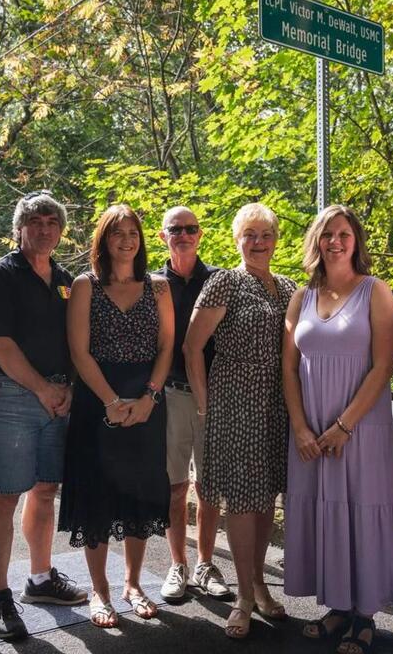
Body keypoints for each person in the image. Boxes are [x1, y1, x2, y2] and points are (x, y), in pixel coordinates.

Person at [283, 205, 393, 654]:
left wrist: (343, 425)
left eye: (344, 234)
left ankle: (365, 614)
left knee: (361, 509)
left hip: (361, 426)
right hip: (311, 429)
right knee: (326, 511)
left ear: (356, 241)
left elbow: (384, 365)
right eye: (327, 234)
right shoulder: (301, 297)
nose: (335, 241)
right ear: (316, 241)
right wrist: (300, 426)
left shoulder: (375, 291)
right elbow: (289, 369)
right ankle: (338, 605)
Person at [0, 191, 87, 641]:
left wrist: (69, 390)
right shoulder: (0, 275)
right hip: (12, 396)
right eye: (35, 222)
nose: (44, 229)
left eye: (51, 223)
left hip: (58, 397)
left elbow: (78, 339)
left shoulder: (65, 279)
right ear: (19, 228)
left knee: (45, 490)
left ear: (60, 230)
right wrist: (43, 389)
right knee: (4, 496)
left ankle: (40, 579)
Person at [183, 202, 296, 639]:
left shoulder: (288, 288)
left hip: (277, 407)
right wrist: (205, 404)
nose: (258, 242)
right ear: (237, 240)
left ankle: (259, 584)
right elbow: (193, 348)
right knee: (243, 504)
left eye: (265, 234)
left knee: (267, 500)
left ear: (276, 239)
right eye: (249, 234)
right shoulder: (223, 283)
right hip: (234, 406)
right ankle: (244, 599)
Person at [58, 204, 174, 629]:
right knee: (97, 496)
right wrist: (110, 400)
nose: (126, 240)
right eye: (116, 233)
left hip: (147, 400)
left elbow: (166, 347)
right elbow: (79, 352)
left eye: (132, 233)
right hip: (97, 400)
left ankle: (133, 584)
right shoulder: (85, 285)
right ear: (103, 240)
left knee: (141, 494)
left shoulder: (159, 287)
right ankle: (100, 591)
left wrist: (149, 397)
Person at [155, 206, 231, 602]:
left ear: (200, 235)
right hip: (168, 396)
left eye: (191, 229)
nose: (184, 234)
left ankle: (205, 564)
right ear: (163, 236)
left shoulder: (219, 279)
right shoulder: (153, 284)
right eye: (176, 229)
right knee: (174, 486)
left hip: (213, 397)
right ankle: (177, 565)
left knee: (208, 488)